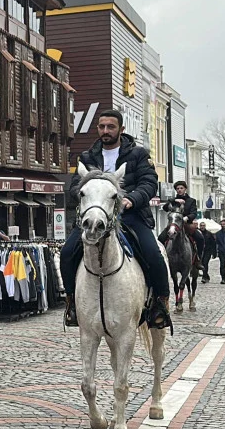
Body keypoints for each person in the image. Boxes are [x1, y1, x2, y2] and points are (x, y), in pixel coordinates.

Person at [61, 110, 170, 329]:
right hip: (95, 217)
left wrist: (131, 199)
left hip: (130, 216)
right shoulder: (87, 156)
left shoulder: (138, 154)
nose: (105, 131)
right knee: (67, 253)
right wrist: (85, 197)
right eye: (101, 127)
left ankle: (160, 303)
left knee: (153, 253)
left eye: (110, 127)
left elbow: (149, 183)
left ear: (121, 129)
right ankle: (72, 303)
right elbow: (74, 186)